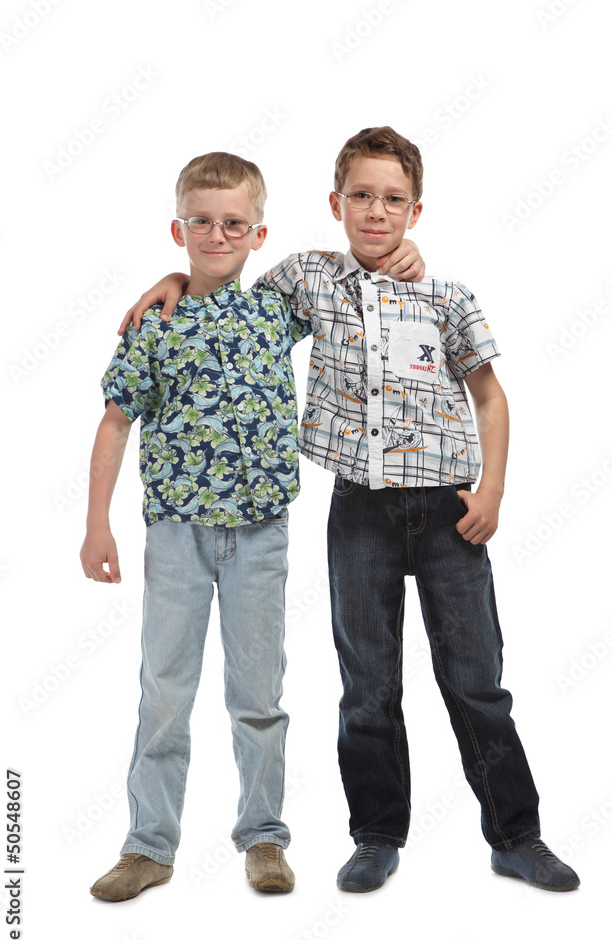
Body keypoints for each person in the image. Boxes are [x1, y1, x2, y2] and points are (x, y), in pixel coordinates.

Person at [118, 127, 580, 894]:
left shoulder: (445, 297)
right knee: (367, 685)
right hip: (359, 512)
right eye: (360, 196)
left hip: (448, 513)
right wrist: (171, 276)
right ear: (335, 204)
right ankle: (375, 836)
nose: (375, 211)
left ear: (415, 211)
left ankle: (517, 836)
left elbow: (489, 396)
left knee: (475, 680)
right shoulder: (307, 279)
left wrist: (492, 490)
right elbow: (227, 296)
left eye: (392, 200)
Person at [81, 151, 308, 900]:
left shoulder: (276, 310)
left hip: (260, 533)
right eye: (201, 222)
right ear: (178, 229)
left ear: (259, 232)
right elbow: (116, 421)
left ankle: (264, 836)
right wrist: (97, 524)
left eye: (234, 223)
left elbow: (354, 273)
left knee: (258, 694)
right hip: (177, 533)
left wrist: (410, 252)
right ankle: (148, 846)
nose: (217, 235)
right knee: (165, 691)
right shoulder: (157, 323)